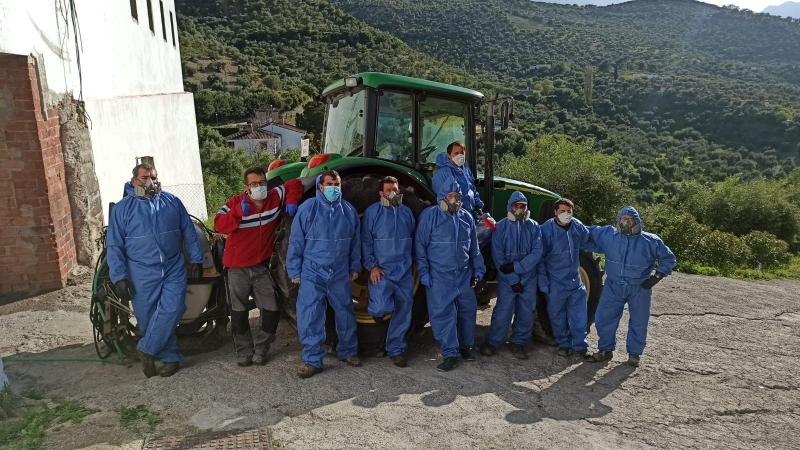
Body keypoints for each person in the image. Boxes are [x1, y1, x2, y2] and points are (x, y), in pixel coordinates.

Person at [107, 163, 204, 378]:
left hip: (172, 266)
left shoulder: (172, 202)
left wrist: (197, 259)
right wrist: (119, 276)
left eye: (153, 177)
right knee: (148, 316)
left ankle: (146, 349)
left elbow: (188, 231)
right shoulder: (123, 209)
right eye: (144, 178)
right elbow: (114, 245)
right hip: (140, 270)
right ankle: (169, 358)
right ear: (134, 181)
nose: (149, 182)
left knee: (174, 307)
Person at [214, 167, 302, 367]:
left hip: (260, 266)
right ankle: (245, 351)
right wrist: (237, 213)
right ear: (246, 187)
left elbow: (295, 182)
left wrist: (291, 199)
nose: (259, 186)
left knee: (271, 309)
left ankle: (262, 348)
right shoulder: (235, 203)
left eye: (262, 182)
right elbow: (220, 224)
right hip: (236, 269)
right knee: (238, 312)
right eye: (254, 184)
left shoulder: (274, 196)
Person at [287, 170, 362, 379]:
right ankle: (312, 359)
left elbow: (356, 243)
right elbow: (296, 241)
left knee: (345, 312)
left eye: (337, 184)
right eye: (330, 184)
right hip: (313, 271)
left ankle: (348, 351)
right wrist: (294, 269)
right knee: (310, 315)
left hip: (339, 272)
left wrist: (354, 267)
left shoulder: (348, 211)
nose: (334, 188)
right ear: (320, 186)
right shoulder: (308, 209)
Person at [587, 206, 676, 367]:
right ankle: (605, 350)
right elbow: (585, 232)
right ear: (618, 220)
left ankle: (634, 354)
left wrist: (657, 277)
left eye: (630, 219)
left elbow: (668, 258)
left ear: (637, 221)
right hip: (613, 285)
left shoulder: (651, 241)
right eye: (623, 219)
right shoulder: (609, 235)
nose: (626, 222)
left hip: (639, 287)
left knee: (639, 321)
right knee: (603, 318)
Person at [414, 180, 485, 372]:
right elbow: (420, 246)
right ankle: (450, 353)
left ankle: (465, 347)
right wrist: (424, 272)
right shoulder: (430, 216)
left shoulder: (466, 217)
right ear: (442, 196)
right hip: (439, 276)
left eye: (458, 196)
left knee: (467, 312)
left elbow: (473, 248)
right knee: (442, 315)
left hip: (462, 275)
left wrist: (478, 269)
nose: (454, 200)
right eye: (450, 196)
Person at [361, 176, 416, 367]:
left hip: (404, 272)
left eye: (395, 189)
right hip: (382, 271)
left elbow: (413, 238)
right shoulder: (372, 213)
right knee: (380, 307)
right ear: (380, 193)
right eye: (388, 190)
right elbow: (366, 242)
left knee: (403, 311)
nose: (392, 193)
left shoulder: (407, 213)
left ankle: (396, 350)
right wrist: (372, 266)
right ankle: (380, 334)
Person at [480, 191, 542, 360]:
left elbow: (537, 253)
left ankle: (519, 342)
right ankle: (493, 342)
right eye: (516, 206)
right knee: (503, 311)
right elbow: (499, 257)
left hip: (529, 277)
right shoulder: (500, 228)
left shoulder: (534, 227)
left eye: (523, 206)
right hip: (508, 280)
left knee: (526, 312)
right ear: (510, 207)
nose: (520, 209)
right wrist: (513, 279)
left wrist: (517, 267)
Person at [537, 199, 598, 360]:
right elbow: (540, 258)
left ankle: (580, 346)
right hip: (555, 282)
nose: (566, 214)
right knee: (557, 315)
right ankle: (563, 344)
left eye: (569, 212)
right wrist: (543, 282)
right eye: (562, 211)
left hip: (575, 281)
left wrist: (611, 246)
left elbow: (588, 242)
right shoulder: (546, 230)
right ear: (555, 212)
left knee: (579, 315)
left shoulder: (577, 226)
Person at [432, 141, 484, 218]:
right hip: (456, 215)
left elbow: (471, 188)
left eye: (462, 153)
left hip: (470, 213)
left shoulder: (465, 169)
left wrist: (478, 205)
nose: (459, 156)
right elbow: (443, 198)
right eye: (456, 153)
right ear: (449, 155)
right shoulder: (443, 174)